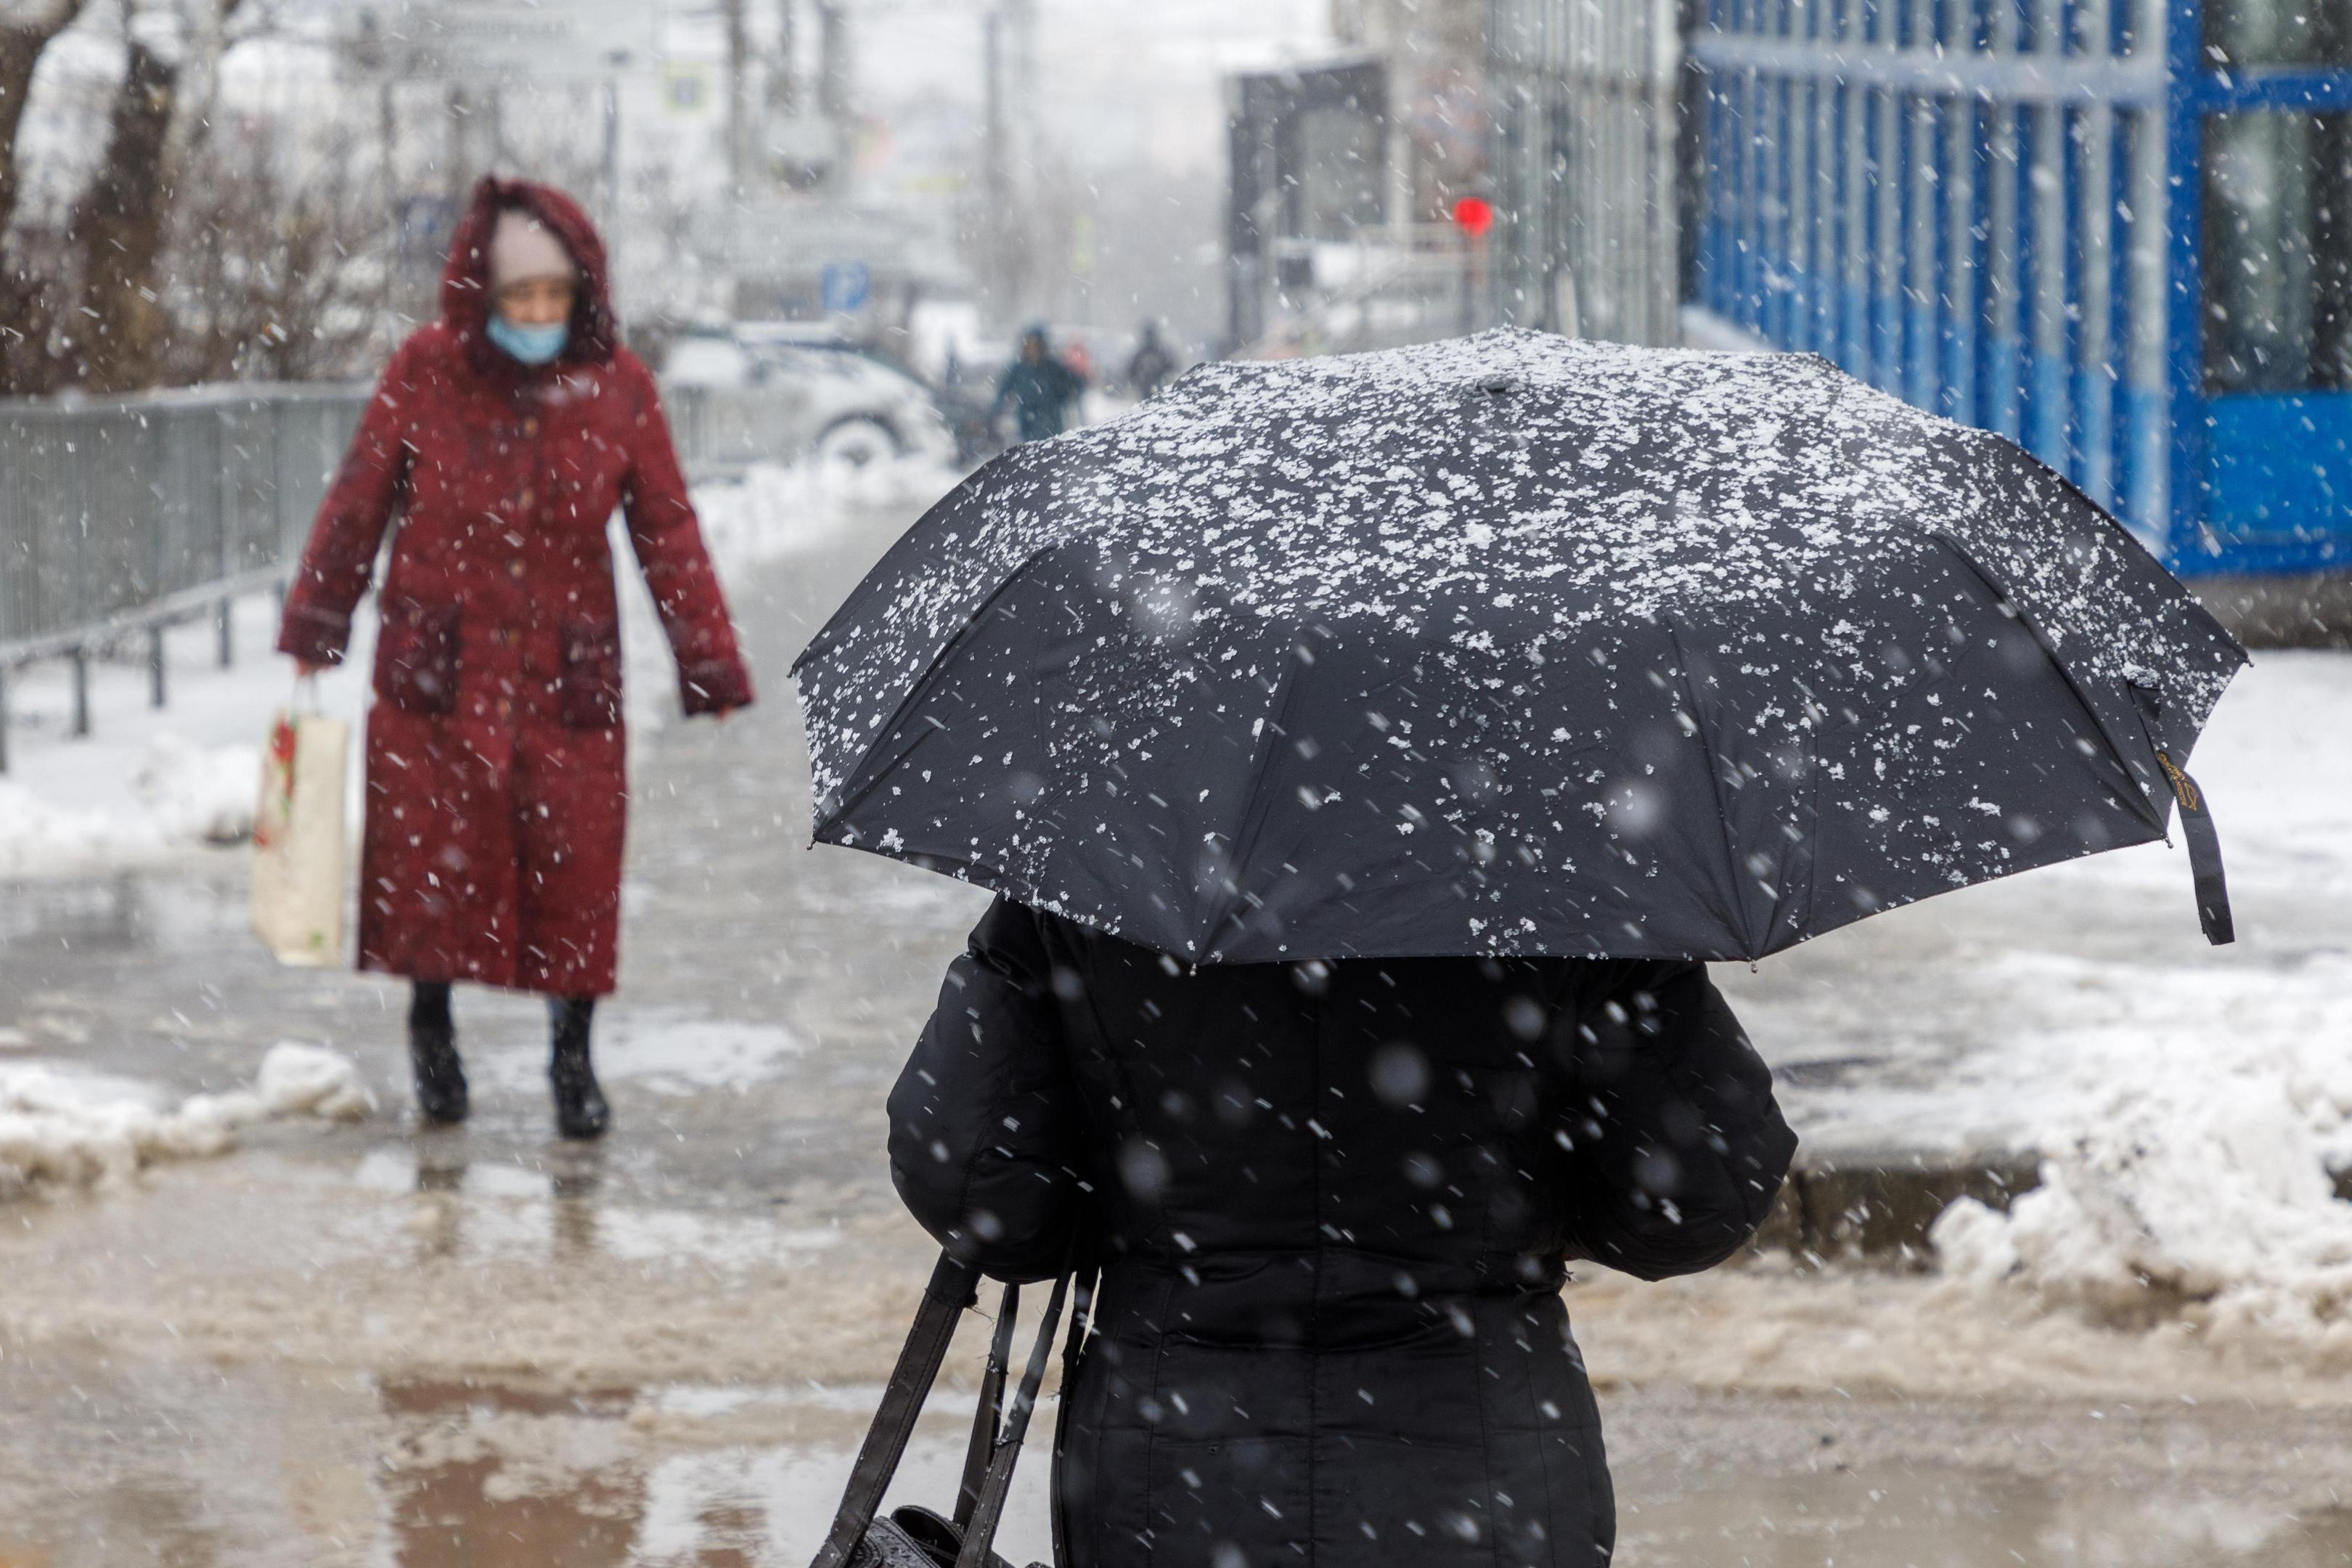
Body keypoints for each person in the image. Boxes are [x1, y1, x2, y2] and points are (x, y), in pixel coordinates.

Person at [888, 897, 1796, 1566]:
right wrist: (1536, 1211)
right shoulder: (1571, 876)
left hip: (1171, 1468)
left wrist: (1131, 1200)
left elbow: (978, 1189)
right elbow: (1699, 1202)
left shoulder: (1094, 865)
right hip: (1488, 1465)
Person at [276, 176, 754, 1139]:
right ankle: (432, 1035)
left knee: (572, 868)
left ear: (582, 294)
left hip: (565, 677)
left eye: (554, 297)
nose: (538, 315)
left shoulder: (619, 390)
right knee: (426, 867)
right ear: (479, 295)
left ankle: (571, 1060)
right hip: (435, 673)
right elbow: (360, 498)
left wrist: (709, 662)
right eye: (519, 299)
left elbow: (668, 530)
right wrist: (317, 624)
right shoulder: (424, 371)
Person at [990, 324, 1087, 442]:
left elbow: (1073, 385)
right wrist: (996, 412)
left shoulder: (1053, 367)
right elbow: (1004, 390)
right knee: (1029, 450)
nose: (1032, 348)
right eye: (1029, 344)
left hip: (1051, 420)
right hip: (1026, 420)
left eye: (1036, 344)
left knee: (1050, 451)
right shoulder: (1019, 368)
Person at [1124, 319, 1176, 399]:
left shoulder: (1142, 353)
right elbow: (1172, 367)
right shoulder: (1160, 352)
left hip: (1149, 386)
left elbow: (1131, 371)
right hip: (1155, 386)